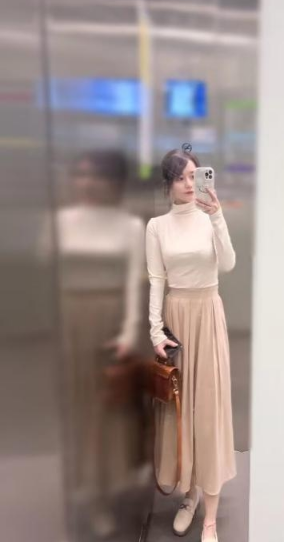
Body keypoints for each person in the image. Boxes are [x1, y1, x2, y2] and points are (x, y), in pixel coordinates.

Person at [145, 146, 236, 542]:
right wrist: (155, 331)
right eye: (181, 177)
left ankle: (210, 518)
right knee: (181, 413)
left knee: (209, 411)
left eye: (194, 176)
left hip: (208, 316)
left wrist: (217, 216)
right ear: (168, 182)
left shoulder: (209, 218)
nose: (188, 183)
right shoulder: (157, 226)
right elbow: (156, 280)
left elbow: (228, 264)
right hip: (177, 319)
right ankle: (190, 495)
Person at [54, 150, 145, 538]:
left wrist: (129, 331)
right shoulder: (59, 222)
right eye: (80, 174)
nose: (87, 183)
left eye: (98, 176)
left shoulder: (130, 226)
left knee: (109, 409)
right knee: (77, 405)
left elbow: (134, 283)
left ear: (116, 182)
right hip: (68, 322)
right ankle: (86, 490)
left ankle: (105, 491)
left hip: (109, 322)